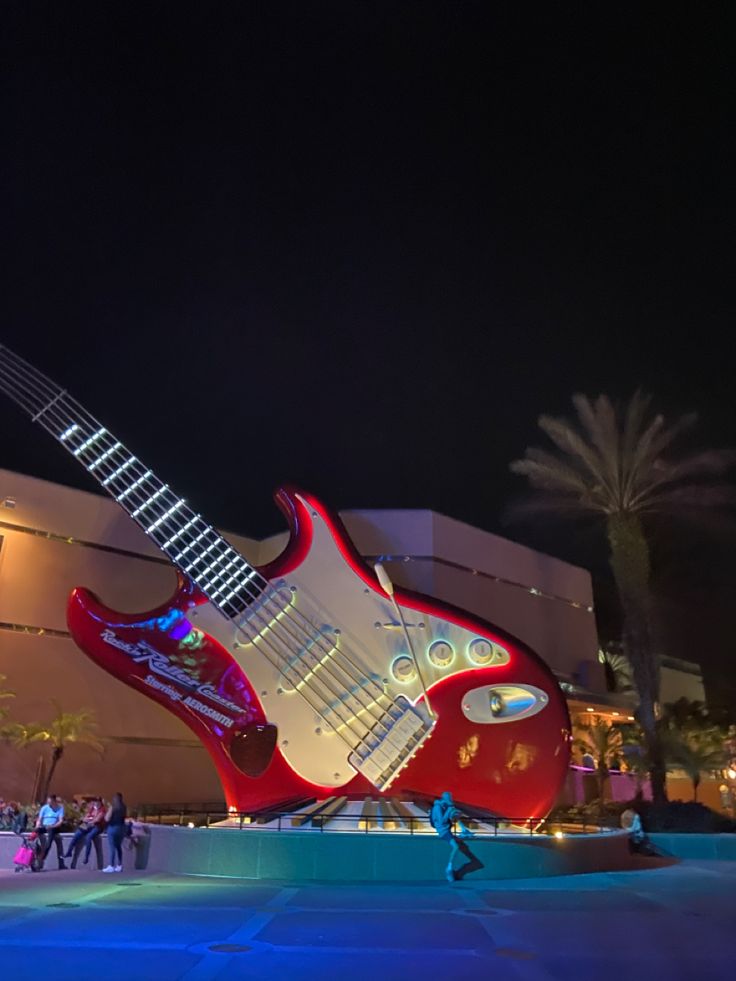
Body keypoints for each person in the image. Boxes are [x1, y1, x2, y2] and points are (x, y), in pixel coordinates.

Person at [430, 791, 475, 882]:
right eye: (449, 798)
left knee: (454, 812)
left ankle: (464, 830)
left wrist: (454, 812)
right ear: (444, 798)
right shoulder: (437, 807)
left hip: (447, 830)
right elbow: (442, 821)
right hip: (443, 832)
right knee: (456, 846)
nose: (450, 800)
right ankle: (449, 868)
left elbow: (454, 816)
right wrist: (450, 809)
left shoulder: (445, 806)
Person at [65, 797, 106, 866]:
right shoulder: (92, 808)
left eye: (97, 801)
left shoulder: (102, 810)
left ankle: (86, 857)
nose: (95, 803)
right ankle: (69, 852)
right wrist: (87, 819)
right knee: (76, 835)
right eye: (94, 801)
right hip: (87, 826)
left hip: (96, 827)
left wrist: (90, 820)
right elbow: (85, 818)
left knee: (89, 837)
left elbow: (97, 819)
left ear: (100, 802)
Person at [35, 794, 67, 870]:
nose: (49, 804)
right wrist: (38, 826)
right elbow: (39, 819)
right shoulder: (44, 808)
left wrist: (52, 826)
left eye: (50, 802)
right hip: (45, 826)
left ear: (54, 801)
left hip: (54, 827)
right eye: (48, 802)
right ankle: (33, 853)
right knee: (36, 831)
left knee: (49, 842)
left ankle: (41, 860)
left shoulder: (60, 808)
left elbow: (60, 821)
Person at [103, 792, 127, 873]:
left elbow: (107, 818)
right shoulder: (124, 807)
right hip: (121, 828)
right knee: (118, 847)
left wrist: (109, 809)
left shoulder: (113, 807)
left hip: (113, 827)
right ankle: (119, 865)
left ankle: (111, 865)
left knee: (112, 847)